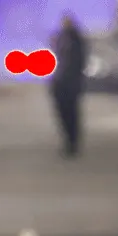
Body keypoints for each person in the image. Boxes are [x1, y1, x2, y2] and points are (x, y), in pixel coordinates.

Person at [51, 14, 87, 156]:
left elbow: (78, 62)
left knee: (70, 114)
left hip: (69, 83)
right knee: (65, 114)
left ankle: (71, 143)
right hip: (63, 82)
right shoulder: (63, 38)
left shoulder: (74, 40)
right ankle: (70, 141)